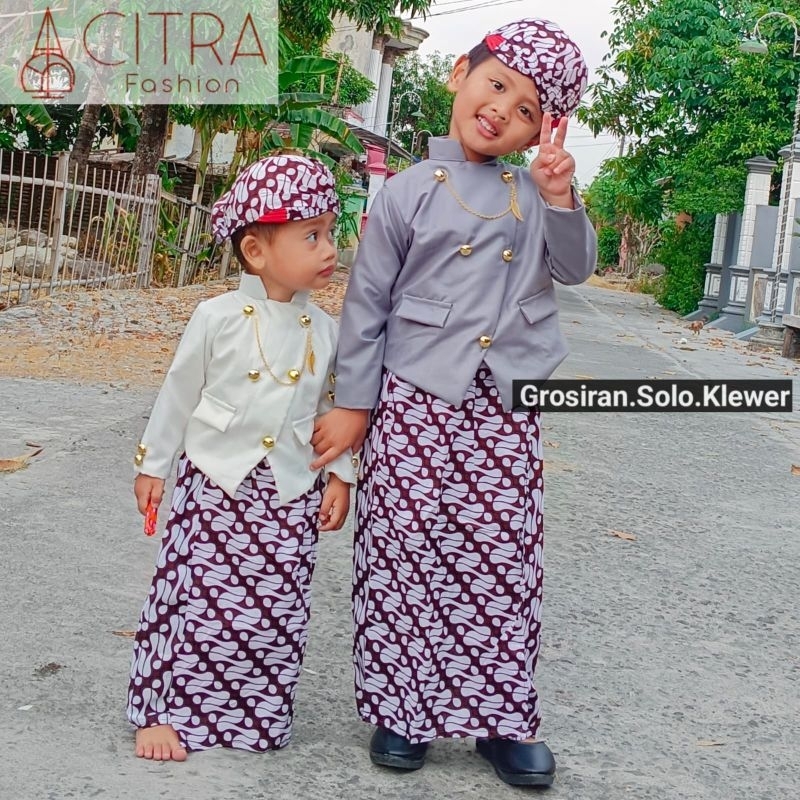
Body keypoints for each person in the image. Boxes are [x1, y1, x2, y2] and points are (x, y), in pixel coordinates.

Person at [310, 18, 596, 787]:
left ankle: (503, 720)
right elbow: (366, 307)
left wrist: (561, 196)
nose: (502, 110)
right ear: (459, 75)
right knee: (404, 550)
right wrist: (353, 404)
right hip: (415, 399)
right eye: (495, 85)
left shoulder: (535, 193)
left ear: (543, 129)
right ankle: (401, 710)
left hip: (504, 407)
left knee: (501, 559)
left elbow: (575, 269)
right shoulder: (405, 193)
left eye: (528, 109)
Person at [126, 154, 356, 761]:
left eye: (329, 233)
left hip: (289, 492)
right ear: (255, 251)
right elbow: (179, 392)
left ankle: (255, 714)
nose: (330, 249)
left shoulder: (325, 329)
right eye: (312, 236)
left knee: (273, 608)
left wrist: (340, 477)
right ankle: (162, 713)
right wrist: (153, 465)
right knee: (192, 600)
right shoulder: (217, 317)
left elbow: (333, 409)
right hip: (215, 484)